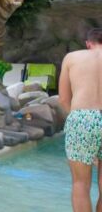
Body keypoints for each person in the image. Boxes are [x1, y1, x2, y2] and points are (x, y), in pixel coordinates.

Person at [59, 28, 102, 212]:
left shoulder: (72, 58)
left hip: (82, 118)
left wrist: (79, 121)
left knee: (80, 184)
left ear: (88, 43)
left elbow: (63, 99)